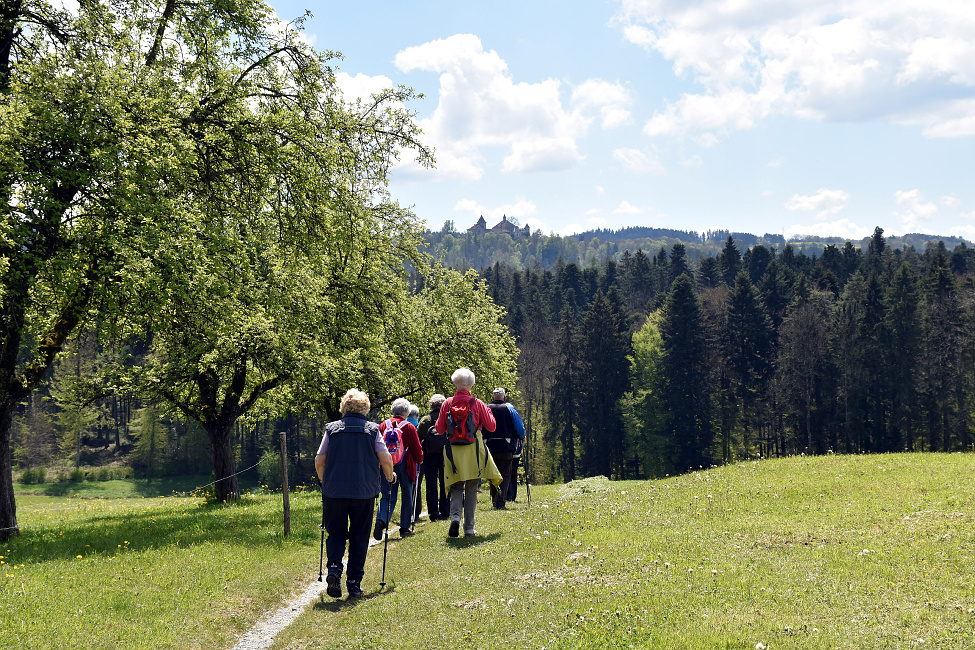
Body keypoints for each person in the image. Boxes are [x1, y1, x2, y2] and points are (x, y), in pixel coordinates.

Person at [315, 388, 396, 599]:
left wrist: (325, 482)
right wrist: (390, 477)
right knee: (359, 536)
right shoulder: (371, 430)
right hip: (364, 492)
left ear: (344, 408)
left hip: (334, 492)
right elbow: (386, 459)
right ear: (365, 408)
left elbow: (319, 460)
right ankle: (353, 583)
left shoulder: (332, 430)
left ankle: (333, 569)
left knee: (336, 533)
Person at [435, 367, 502, 538]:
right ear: (471, 385)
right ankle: (469, 528)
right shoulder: (477, 403)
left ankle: (455, 517)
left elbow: (439, 428)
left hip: (453, 451)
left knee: (457, 486)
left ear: (455, 384)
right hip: (474, 449)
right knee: (472, 487)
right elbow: (492, 426)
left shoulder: (447, 403)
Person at [374, 398, 423, 540]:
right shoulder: (409, 427)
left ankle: (381, 519)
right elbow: (416, 448)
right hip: (406, 465)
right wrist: (420, 459)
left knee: (387, 495)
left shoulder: (383, 425)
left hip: (387, 464)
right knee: (407, 495)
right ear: (407, 412)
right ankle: (405, 527)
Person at [483, 388, 525, 509]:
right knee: (505, 474)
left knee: (492, 474)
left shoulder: (486, 408)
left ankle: (495, 500)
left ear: (492, 398)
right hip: (507, 446)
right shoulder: (510, 409)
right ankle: (500, 501)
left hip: (489, 446)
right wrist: (522, 437)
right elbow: (519, 427)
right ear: (504, 398)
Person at [417, 393, 449, 520]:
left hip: (429, 456)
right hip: (445, 455)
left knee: (431, 484)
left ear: (431, 405)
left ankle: (433, 513)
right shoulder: (448, 418)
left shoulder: (426, 420)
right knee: (445, 483)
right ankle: (445, 511)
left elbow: (418, 437)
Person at [407, 403, 423, 523]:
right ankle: (415, 513)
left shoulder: (401, 424)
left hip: (400, 460)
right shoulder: (417, 426)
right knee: (416, 487)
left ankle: (405, 514)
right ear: (417, 415)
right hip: (415, 461)